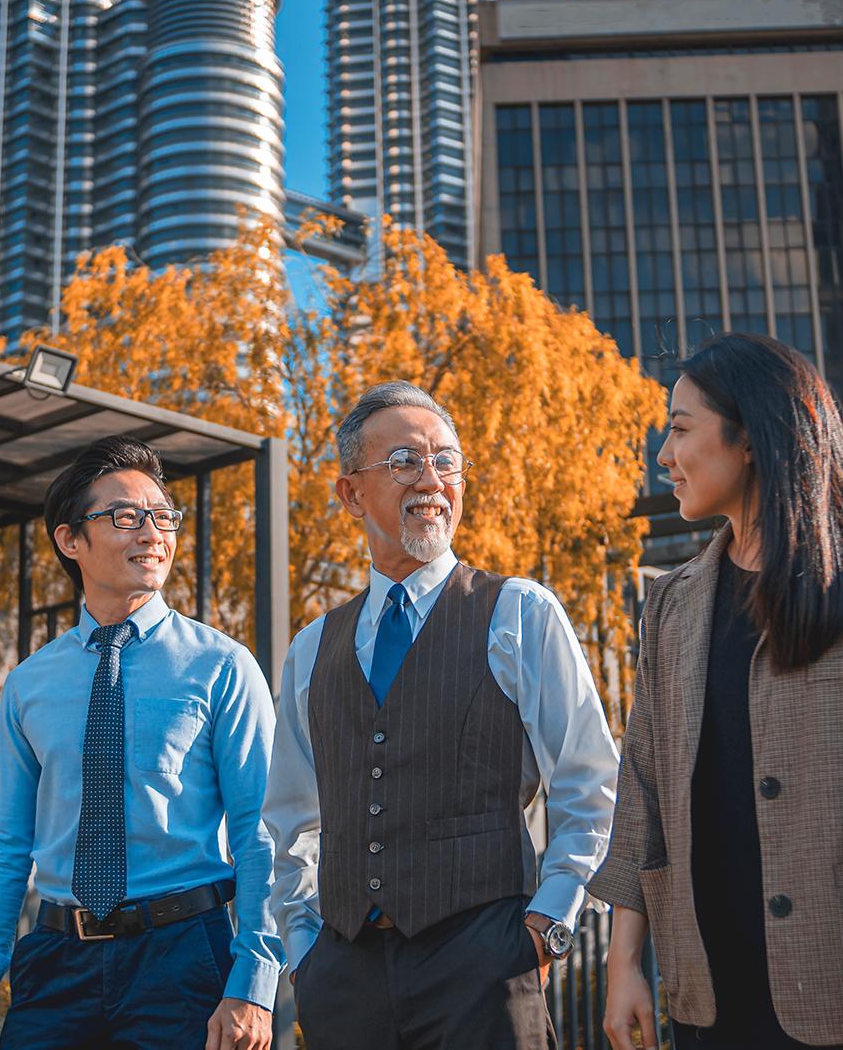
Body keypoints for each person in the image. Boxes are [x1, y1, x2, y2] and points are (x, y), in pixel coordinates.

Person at [592, 333, 843, 1050]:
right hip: (703, 1004)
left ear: (753, 439)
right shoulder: (671, 606)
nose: (664, 456)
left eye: (680, 429)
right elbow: (641, 791)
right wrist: (623, 963)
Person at [265, 381, 621, 1049]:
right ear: (349, 493)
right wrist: (304, 950)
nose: (432, 479)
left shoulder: (520, 612)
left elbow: (591, 785)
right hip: (343, 977)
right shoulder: (314, 646)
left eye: (446, 460)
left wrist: (550, 924)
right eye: (404, 461)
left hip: (485, 968)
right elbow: (290, 819)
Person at [0, 436, 279, 1050]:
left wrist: (254, 980)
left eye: (163, 517)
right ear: (70, 540)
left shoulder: (223, 667)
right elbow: (2, 844)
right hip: (54, 961)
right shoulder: (29, 684)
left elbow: (263, 830)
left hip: (184, 958)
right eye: (126, 517)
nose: (152, 533)